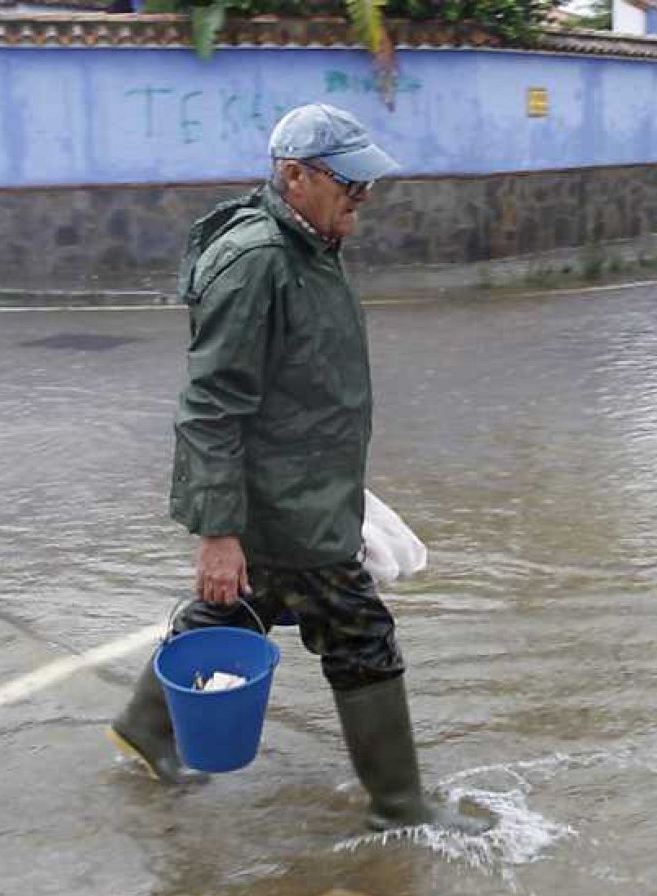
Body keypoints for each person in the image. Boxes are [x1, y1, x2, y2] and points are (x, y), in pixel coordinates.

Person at [106, 103, 487, 835]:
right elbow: (211, 405)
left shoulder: (310, 246)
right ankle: (400, 806)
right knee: (359, 633)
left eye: (366, 183)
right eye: (350, 183)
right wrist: (219, 534)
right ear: (295, 176)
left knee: (240, 607)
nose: (363, 196)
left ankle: (146, 728)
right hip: (285, 506)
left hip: (307, 489)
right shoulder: (259, 262)